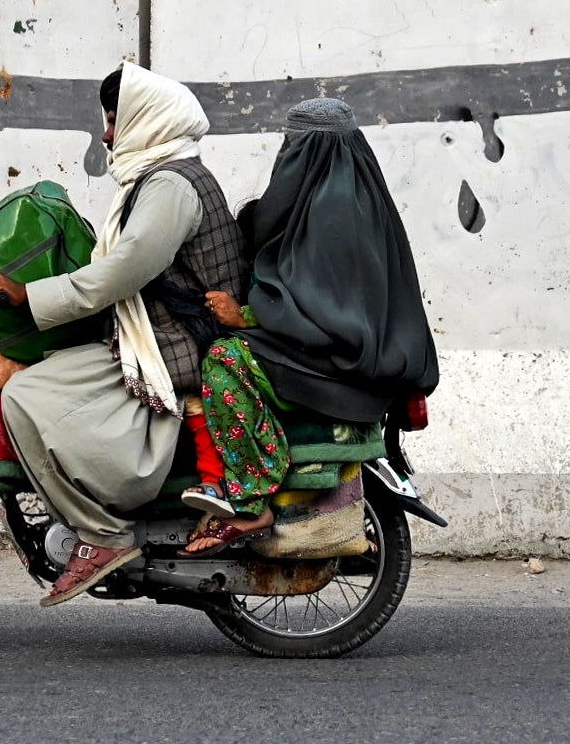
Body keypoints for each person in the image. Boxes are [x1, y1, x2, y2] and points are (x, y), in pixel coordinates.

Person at [0, 63, 249, 605]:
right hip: (161, 333)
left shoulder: (170, 185)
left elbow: (123, 270)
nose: (106, 135)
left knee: (22, 395)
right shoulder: (157, 175)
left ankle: (102, 533)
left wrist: (30, 294)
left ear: (148, 120)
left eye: (116, 120)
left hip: (176, 346)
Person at [175, 96, 440, 557]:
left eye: (293, 146)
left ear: (308, 152)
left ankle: (249, 497)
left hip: (337, 362)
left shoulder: (335, 209)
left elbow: (325, 312)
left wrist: (245, 317)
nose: (286, 155)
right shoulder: (345, 195)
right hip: (337, 351)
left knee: (222, 359)